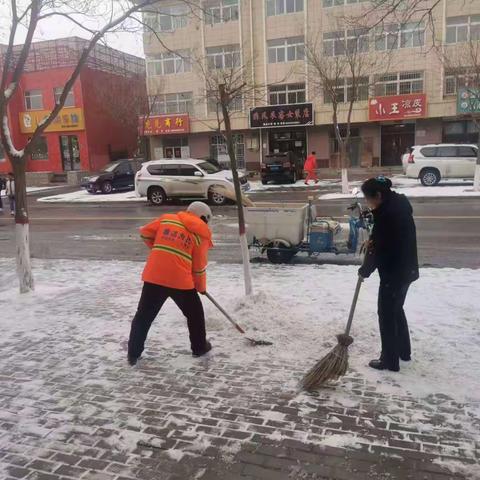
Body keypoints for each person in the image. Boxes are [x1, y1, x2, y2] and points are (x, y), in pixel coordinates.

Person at [127, 201, 214, 365]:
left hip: (155, 276)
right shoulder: (200, 234)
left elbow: (145, 233)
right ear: (203, 218)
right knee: (195, 314)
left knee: (144, 316)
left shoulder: (167, 219)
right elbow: (198, 268)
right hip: (180, 281)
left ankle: (133, 353)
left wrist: (159, 250)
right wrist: (201, 288)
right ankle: (199, 347)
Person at [358, 176, 419, 373]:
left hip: (395, 272)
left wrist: (364, 270)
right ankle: (403, 351)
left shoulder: (387, 216)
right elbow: (383, 236)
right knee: (396, 309)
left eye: (369, 199)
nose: (368, 203)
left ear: (378, 195)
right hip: (407, 269)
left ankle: (389, 361)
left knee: (386, 314)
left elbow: (380, 250)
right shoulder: (398, 203)